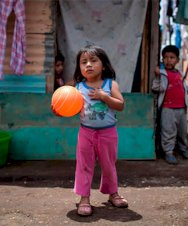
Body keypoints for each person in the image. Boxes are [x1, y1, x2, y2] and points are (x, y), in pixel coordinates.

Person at [72, 45, 128, 216]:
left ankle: (113, 194)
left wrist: (104, 96)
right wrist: (61, 108)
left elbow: (121, 105)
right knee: (84, 166)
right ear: (79, 68)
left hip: (108, 133)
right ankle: (84, 198)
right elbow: (69, 107)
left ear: (103, 65)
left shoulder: (111, 84)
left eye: (93, 60)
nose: (88, 65)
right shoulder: (78, 87)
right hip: (86, 133)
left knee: (109, 165)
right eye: (84, 62)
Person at [152, 45, 188, 165]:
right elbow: (156, 88)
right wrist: (158, 76)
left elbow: (185, 88)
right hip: (167, 108)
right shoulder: (163, 73)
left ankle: (183, 149)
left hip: (181, 108)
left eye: (172, 57)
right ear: (162, 59)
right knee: (168, 131)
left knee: (182, 132)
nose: (168, 60)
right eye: (165, 57)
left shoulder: (180, 74)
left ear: (177, 60)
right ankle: (168, 152)